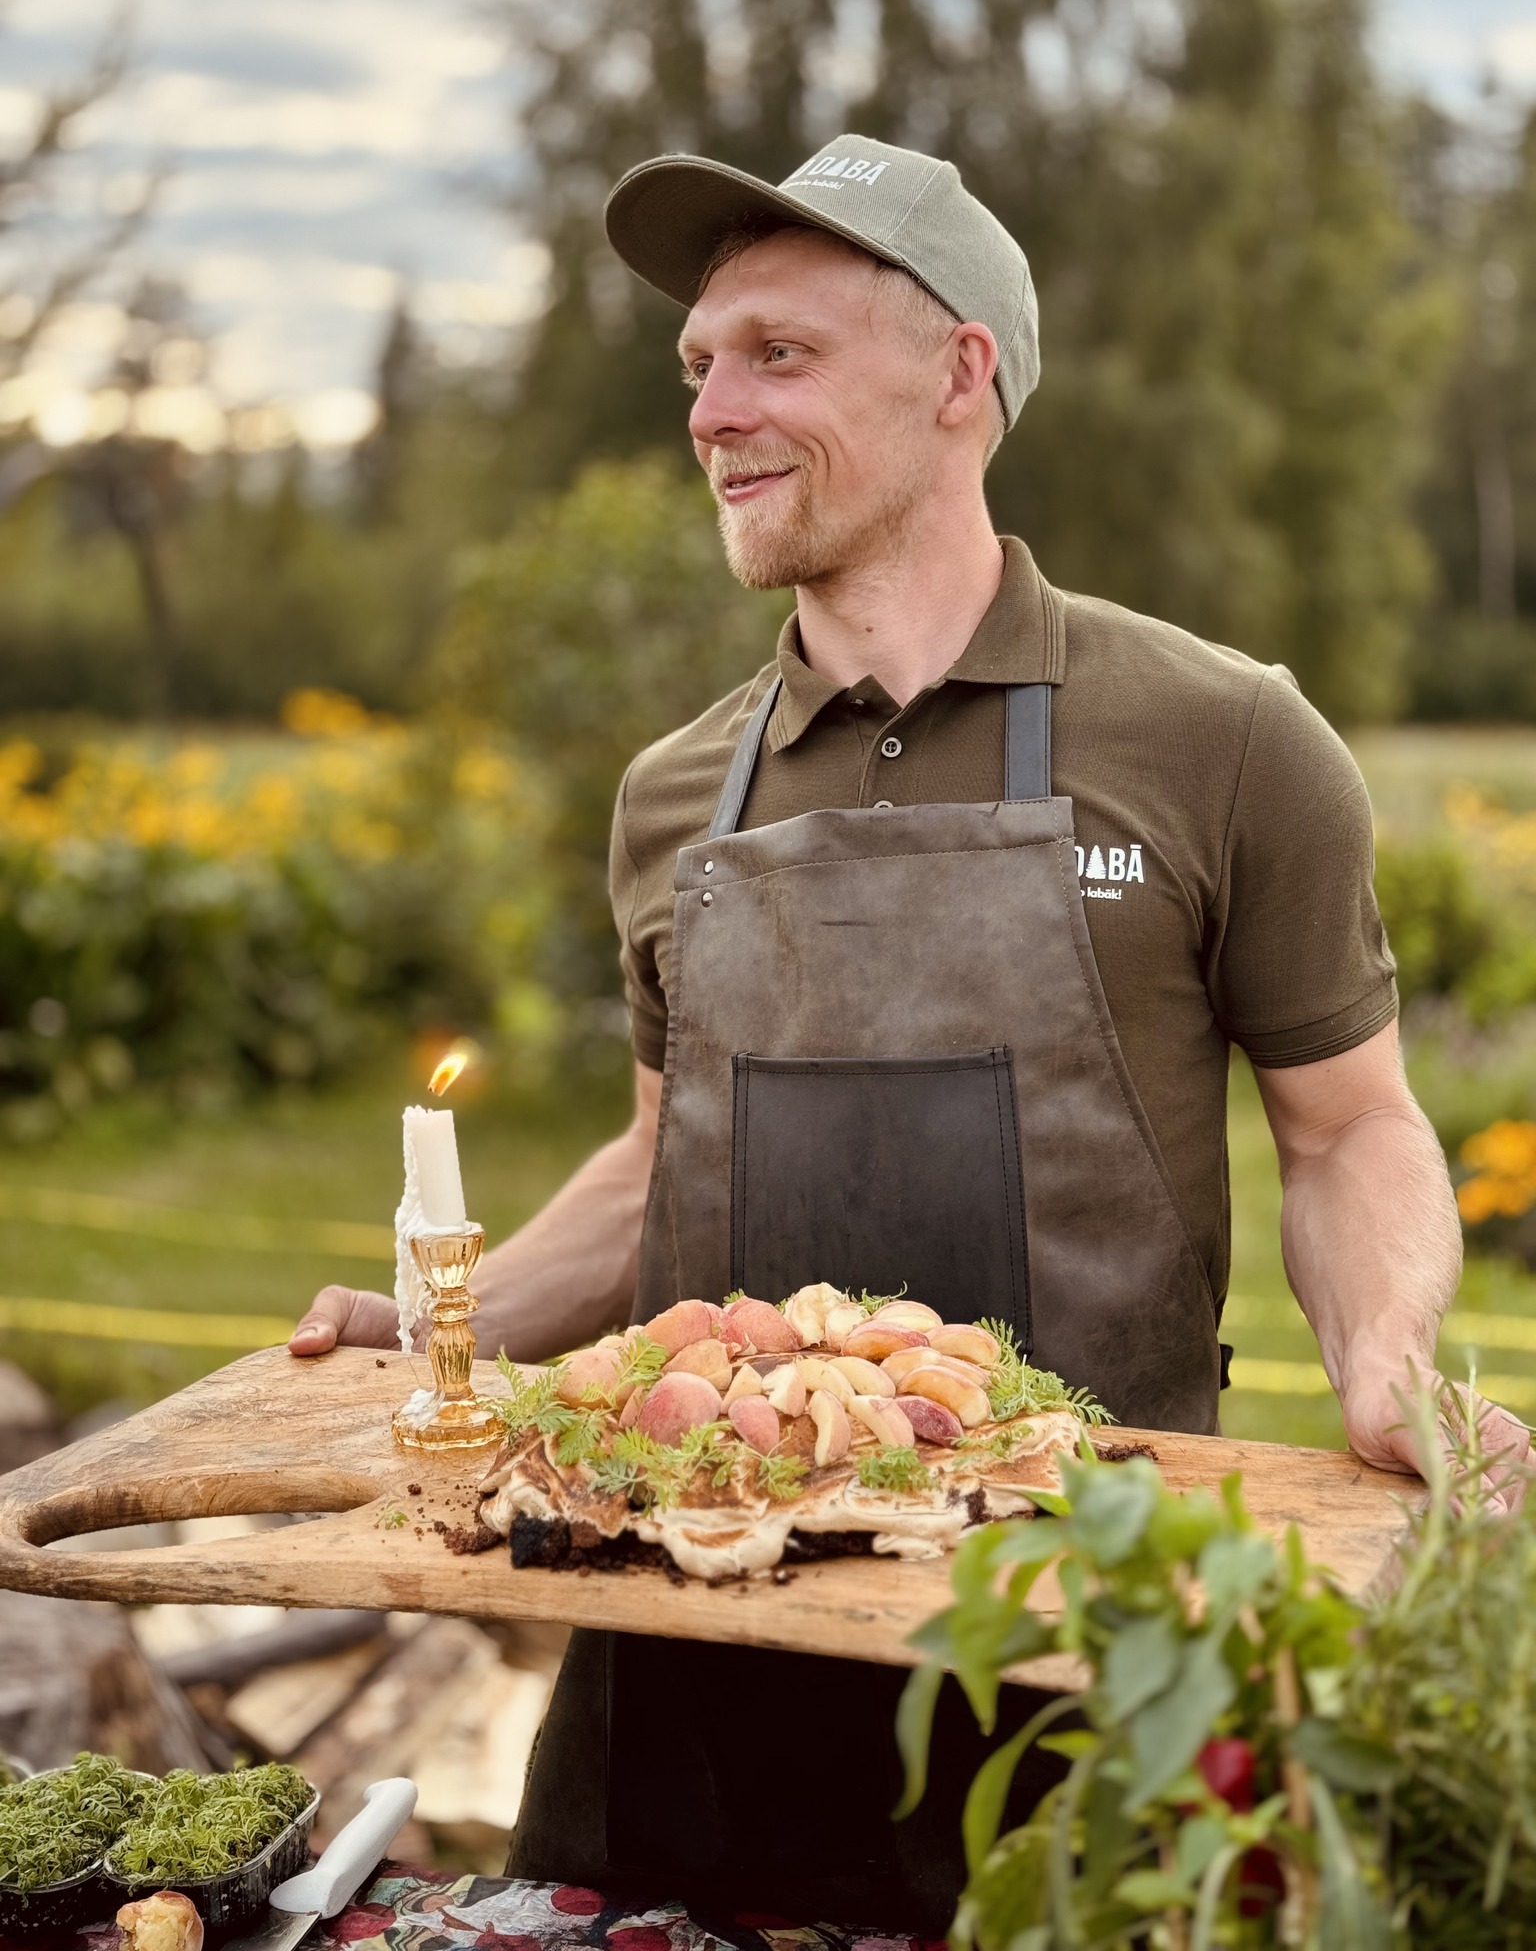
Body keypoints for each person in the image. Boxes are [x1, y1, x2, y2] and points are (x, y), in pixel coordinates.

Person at [291, 135, 1530, 1925]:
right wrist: (428, 1319)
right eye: (699, 365)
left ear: (963, 377)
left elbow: (1349, 1129)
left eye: (777, 355)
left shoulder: (1224, 738)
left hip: (1083, 1649)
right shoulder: (667, 797)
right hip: (689, 1641)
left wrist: (1392, 1363)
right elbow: (657, 1160)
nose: (713, 409)